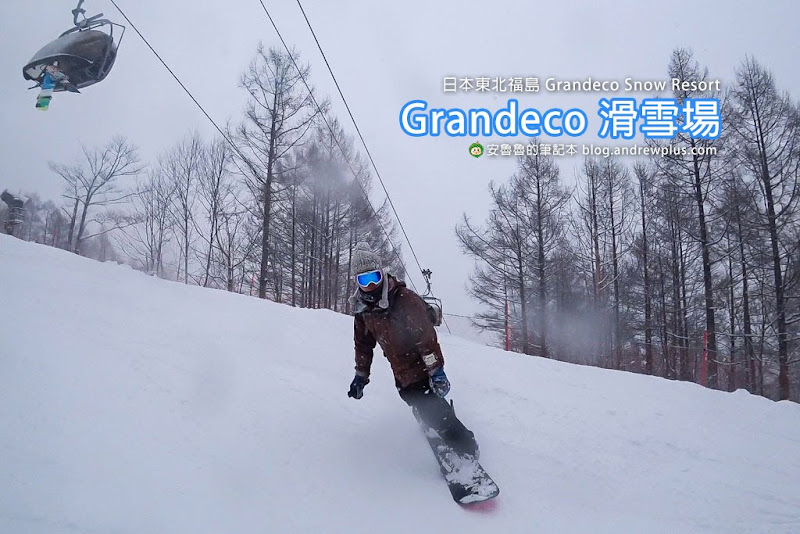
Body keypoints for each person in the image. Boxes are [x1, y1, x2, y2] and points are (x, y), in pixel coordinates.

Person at [346, 241, 479, 458]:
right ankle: (429, 418)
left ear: (382, 274)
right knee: (409, 395)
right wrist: (361, 375)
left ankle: (465, 446)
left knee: (429, 402)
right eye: (364, 279)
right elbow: (363, 345)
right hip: (399, 367)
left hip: (420, 359)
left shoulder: (404, 300)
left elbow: (426, 339)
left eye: (374, 277)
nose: (370, 285)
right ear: (357, 282)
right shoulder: (362, 310)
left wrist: (436, 372)